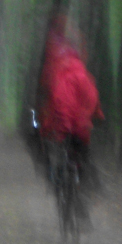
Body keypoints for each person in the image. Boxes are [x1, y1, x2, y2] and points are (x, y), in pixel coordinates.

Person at [37, 15, 103, 194]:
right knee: (80, 130)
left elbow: (46, 76)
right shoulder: (75, 38)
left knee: (56, 129)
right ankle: (86, 178)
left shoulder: (50, 42)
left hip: (62, 87)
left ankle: (57, 173)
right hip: (79, 85)